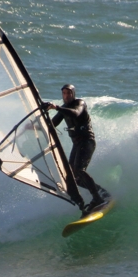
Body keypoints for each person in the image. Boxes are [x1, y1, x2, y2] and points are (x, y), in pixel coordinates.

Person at [47, 84, 110, 214]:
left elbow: (76, 113)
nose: (66, 96)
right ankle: (102, 192)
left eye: (69, 93)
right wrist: (33, 125)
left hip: (87, 141)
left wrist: (56, 107)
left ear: (73, 94)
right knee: (73, 177)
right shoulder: (63, 109)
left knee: (80, 170)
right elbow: (52, 124)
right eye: (64, 93)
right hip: (77, 145)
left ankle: (97, 198)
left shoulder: (80, 103)